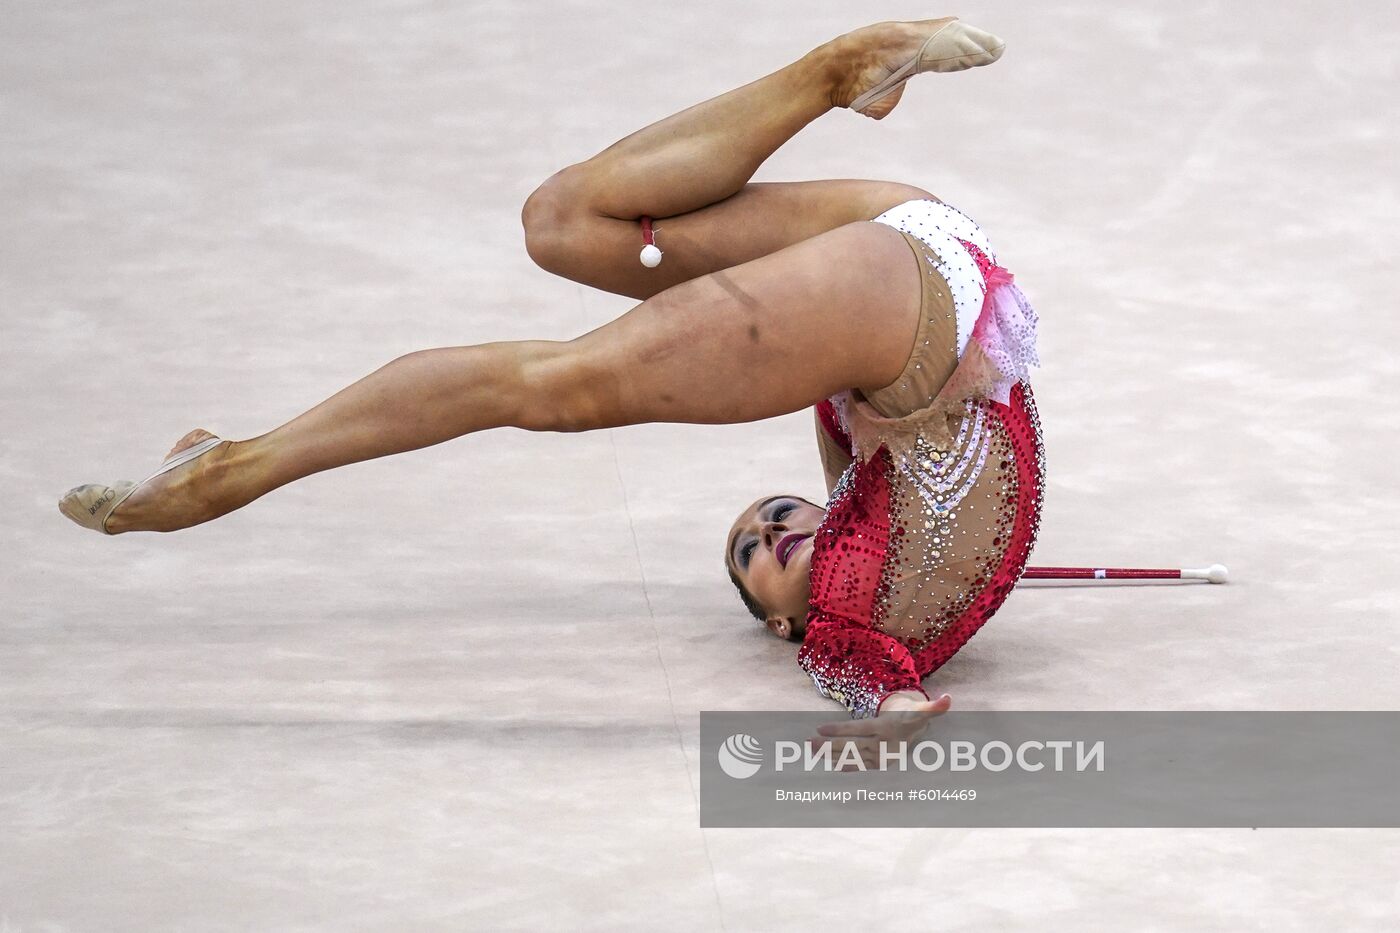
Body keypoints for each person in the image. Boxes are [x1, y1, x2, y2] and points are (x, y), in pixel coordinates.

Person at [59, 17, 1036, 765]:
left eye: (746, 548)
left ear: (780, 626)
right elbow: (882, 687)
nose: (770, 528)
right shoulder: (861, 592)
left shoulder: (845, 620)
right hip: (917, 302)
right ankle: (231, 468)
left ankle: (833, 75)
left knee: (566, 223)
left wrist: (889, 713)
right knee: (555, 384)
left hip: (928, 267)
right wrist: (897, 711)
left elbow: (868, 682)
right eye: (771, 526)